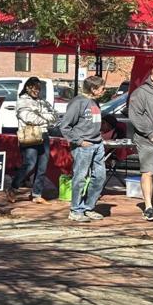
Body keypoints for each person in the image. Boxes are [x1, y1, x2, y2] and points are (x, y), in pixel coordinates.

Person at [60, 75, 110, 222]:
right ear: (93, 89)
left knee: (100, 176)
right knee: (80, 177)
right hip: (83, 146)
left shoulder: (94, 102)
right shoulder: (77, 103)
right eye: (102, 88)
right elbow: (65, 126)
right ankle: (76, 210)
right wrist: (79, 141)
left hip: (97, 144)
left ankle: (88, 207)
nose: (104, 91)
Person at [126, 65, 153, 221]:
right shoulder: (140, 93)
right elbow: (135, 116)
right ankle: (148, 207)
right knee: (148, 172)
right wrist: (151, 134)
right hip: (146, 140)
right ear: (152, 77)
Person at [10, 76, 57, 201]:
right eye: (34, 88)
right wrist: (45, 118)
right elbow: (28, 117)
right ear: (27, 88)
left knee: (42, 166)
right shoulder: (22, 101)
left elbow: (54, 115)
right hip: (29, 135)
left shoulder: (43, 102)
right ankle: (13, 188)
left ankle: (36, 194)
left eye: (39, 89)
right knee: (29, 164)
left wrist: (41, 117)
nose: (37, 91)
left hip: (44, 134)